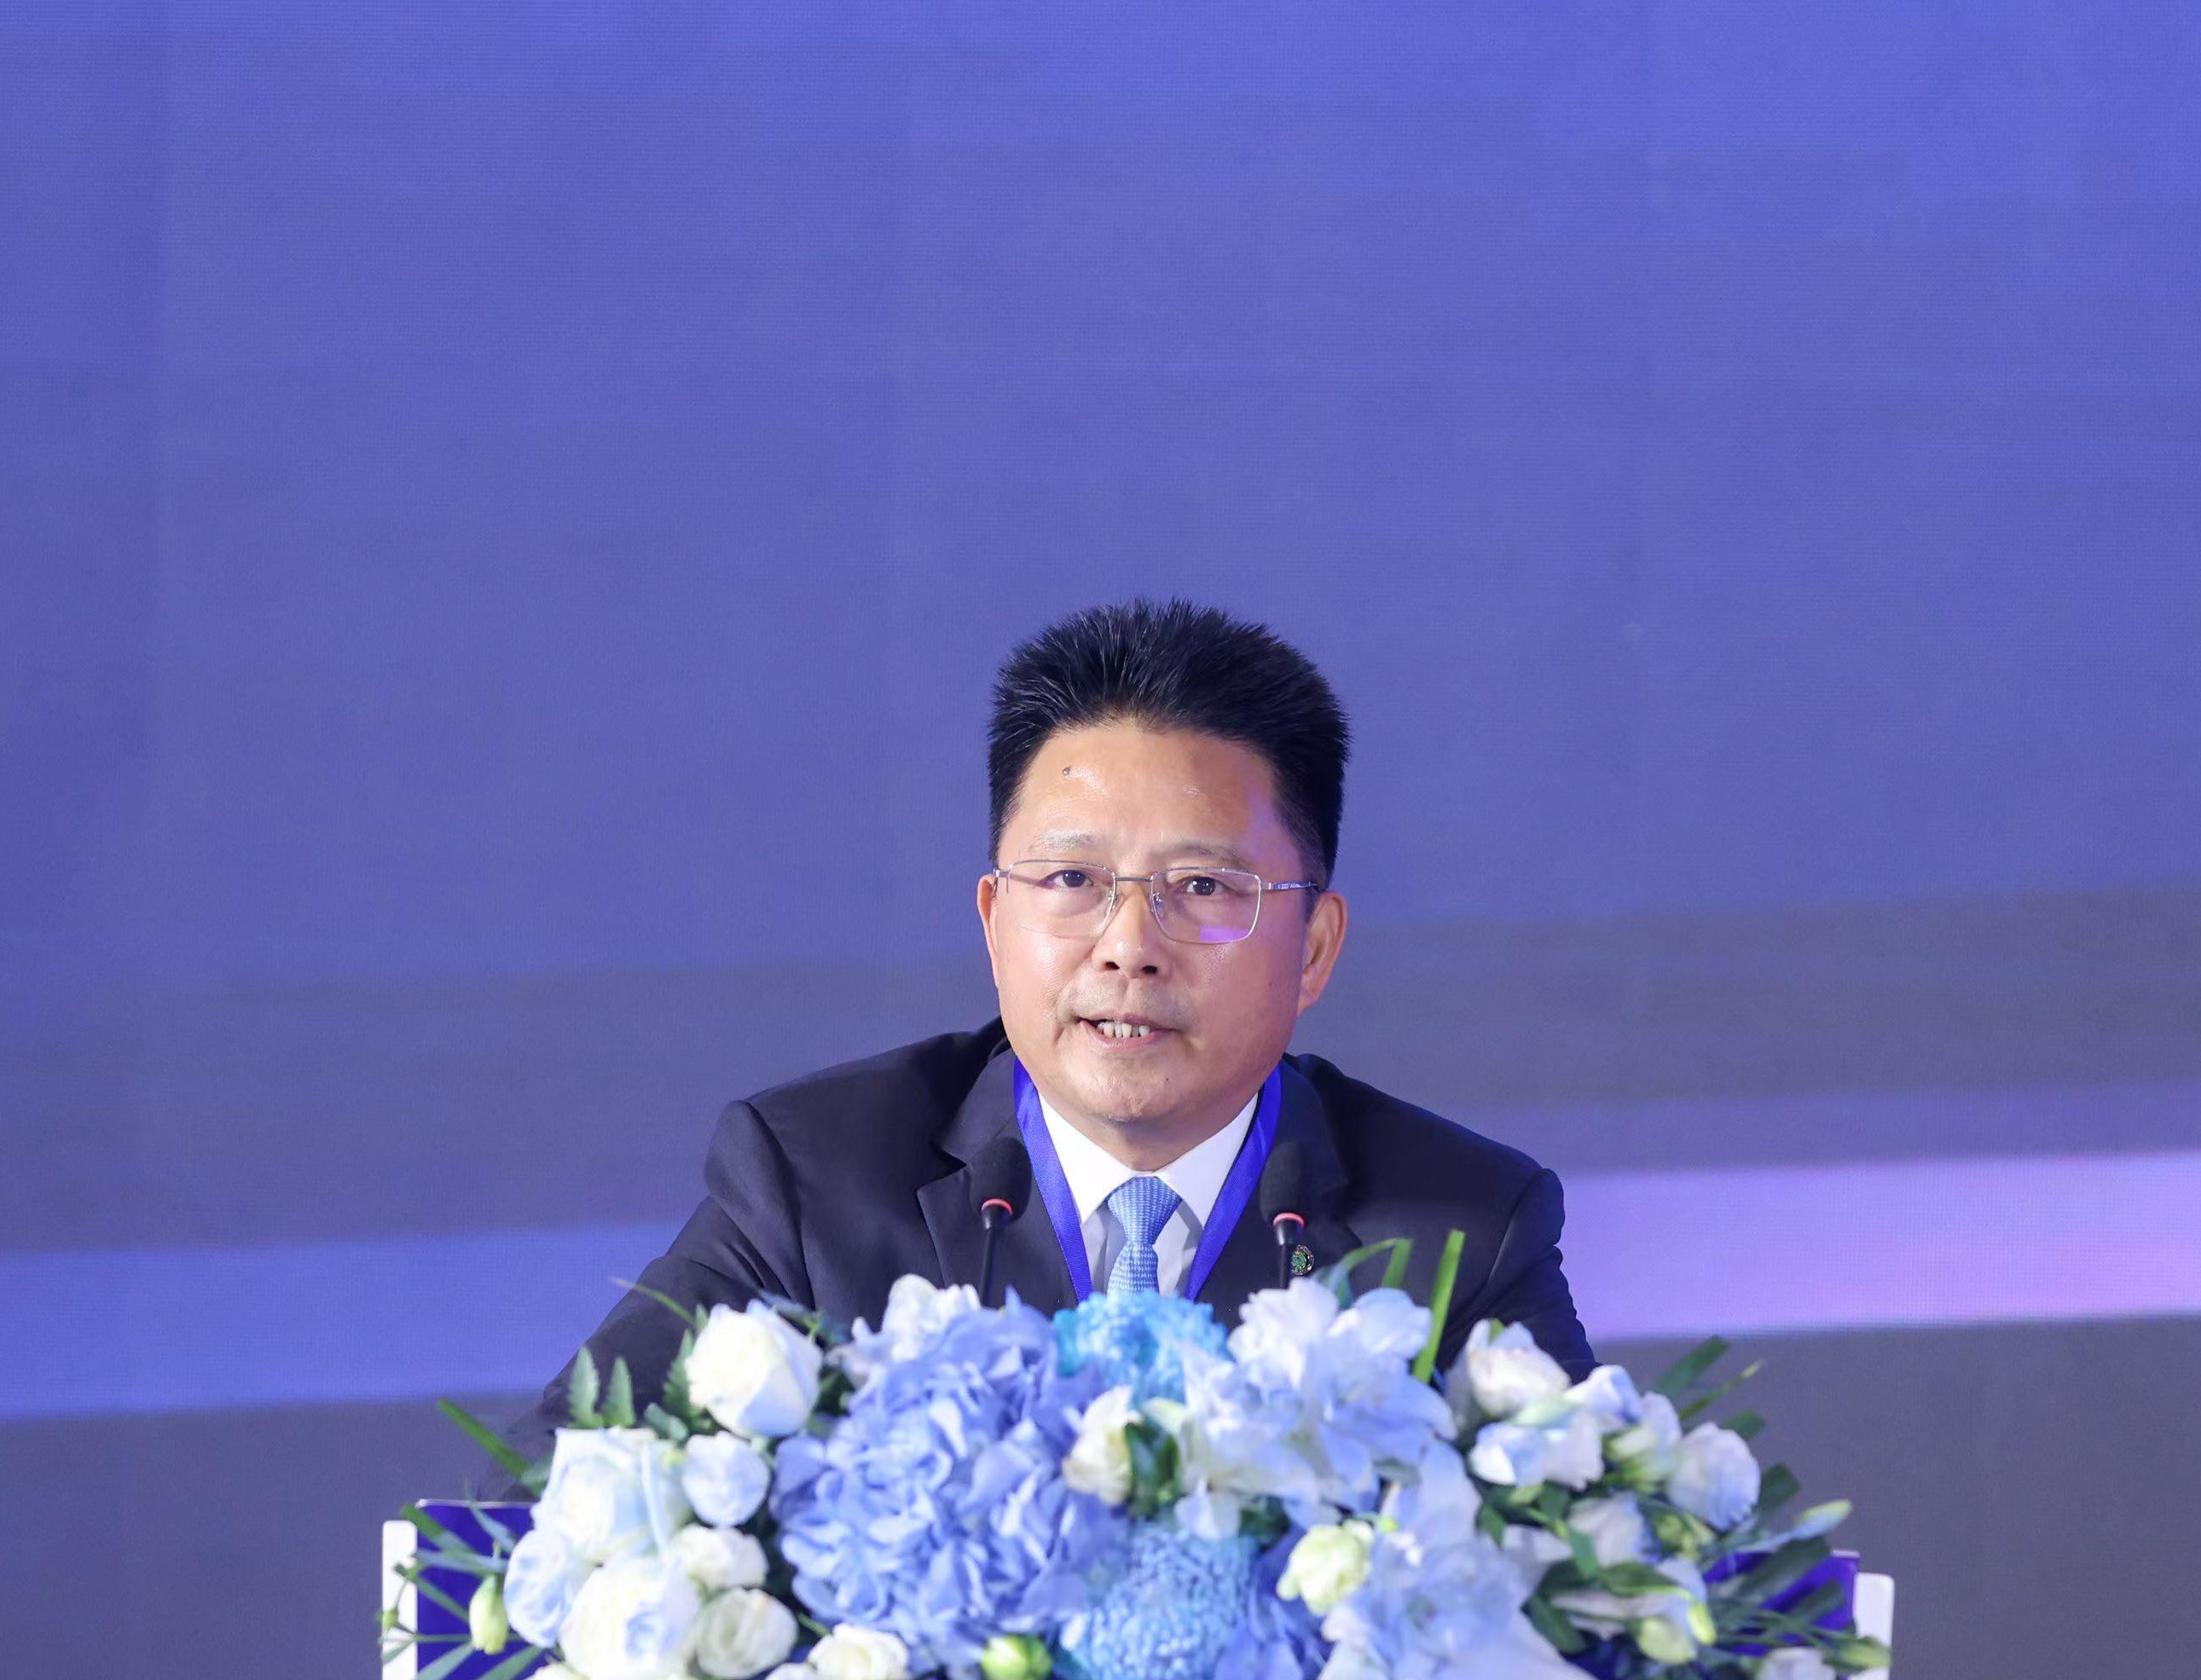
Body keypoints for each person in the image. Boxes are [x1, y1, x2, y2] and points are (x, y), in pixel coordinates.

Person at [536, 601, 1594, 1440]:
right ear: (995, 921)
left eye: (1204, 887)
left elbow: (1594, 1582)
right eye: (1073, 879)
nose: (1129, 944)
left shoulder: (1461, 1231)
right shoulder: (811, 1184)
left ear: (1313, 947)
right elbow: (536, 1525)